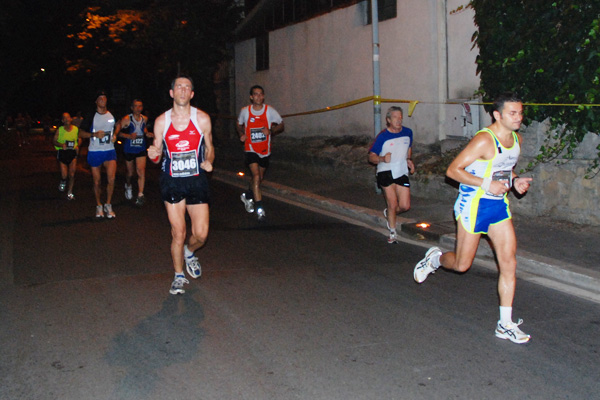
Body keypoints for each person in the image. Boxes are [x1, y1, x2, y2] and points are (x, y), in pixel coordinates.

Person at [413, 92, 533, 344]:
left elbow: (504, 170)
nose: (518, 117)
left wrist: (515, 181)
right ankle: (435, 259)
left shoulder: (516, 139)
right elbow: (452, 170)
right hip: (473, 207)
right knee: (461, 265)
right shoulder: (483, 140)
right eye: (513, 113)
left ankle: (505, 324)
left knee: (509, 262)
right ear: (497, 115)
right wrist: (487, 184)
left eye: (520, 112)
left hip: (498, 208)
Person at [148, 75, 214, 295]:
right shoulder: (161, 121)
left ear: (192, 94)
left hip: (196, 180)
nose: (183, 90)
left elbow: (209, 146)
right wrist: (153, 154)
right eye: (179, 87)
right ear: (171, 93)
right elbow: (156, 154)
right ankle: (178, 276)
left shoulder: (202, 119)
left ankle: (189, 252)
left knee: (201, 234)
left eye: (187, 88)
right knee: (179, 232)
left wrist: (209, 160)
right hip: (172, 181)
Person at [236, 85, 284, 221]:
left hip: (265, 150)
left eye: (260, 94)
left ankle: (248, 195)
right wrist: (241, 134)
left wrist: (271, 131)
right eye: (255, 94)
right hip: (250, 148)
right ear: (251, 97)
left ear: (263, 96)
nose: (258, 96)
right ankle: (260, 208)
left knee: (259, 178)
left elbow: (281, 124)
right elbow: (238, 124)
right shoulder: (245, 111)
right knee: (256, 177)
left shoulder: (270, 111)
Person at [368, 106, 415, 243]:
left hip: (401, 170)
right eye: (395, 117)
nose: (398, 120)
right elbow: (371, 157)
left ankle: (390, 213)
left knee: (405, 206)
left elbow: (409, 148)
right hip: (385, 171)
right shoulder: (383, 136)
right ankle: (393, 232)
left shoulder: (408, 132)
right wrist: (382, 159)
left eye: (400, 117)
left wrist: (409, 160)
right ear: (388, 120)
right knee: (393, 204)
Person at [78, 91, 118, 218]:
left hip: (109, 150)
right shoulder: (91, 116)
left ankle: (108, 204)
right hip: (95, 151)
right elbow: (80, 133)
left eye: (104, 97)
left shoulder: (112, 114)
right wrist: (94, 135)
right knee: (97, 182)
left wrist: (115, 134)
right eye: (99, 98)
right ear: (96, 101)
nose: (102, 99)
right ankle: (99, 205)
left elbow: (118, 124)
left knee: (111, 178)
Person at [115, 99, 154, 206]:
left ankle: (140, 194)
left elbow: (143, 128)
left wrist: (147, 134)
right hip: (129, 149)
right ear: (132, 108)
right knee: (130, 173)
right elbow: (118, 132)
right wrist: (128, 136)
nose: (138, 108)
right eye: (136, 106)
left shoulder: (144, 118)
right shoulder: (127, 119)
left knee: (141, 171)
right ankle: (128, 185)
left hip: (140, 148)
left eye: (140, 106)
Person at [53, 112, 80, 200]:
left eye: (68, 117)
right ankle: (63, 181)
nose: (67, 119)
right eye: (65, 118)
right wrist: (61, 145)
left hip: (72, 153)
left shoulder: (75, 129)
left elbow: (79, 139)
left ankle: (70, 192)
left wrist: (77, 145)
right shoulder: (60, 130)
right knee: (64, 175)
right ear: (62, 120)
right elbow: (54, 141)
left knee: (72, 174)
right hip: (62, 153)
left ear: (71, 119)